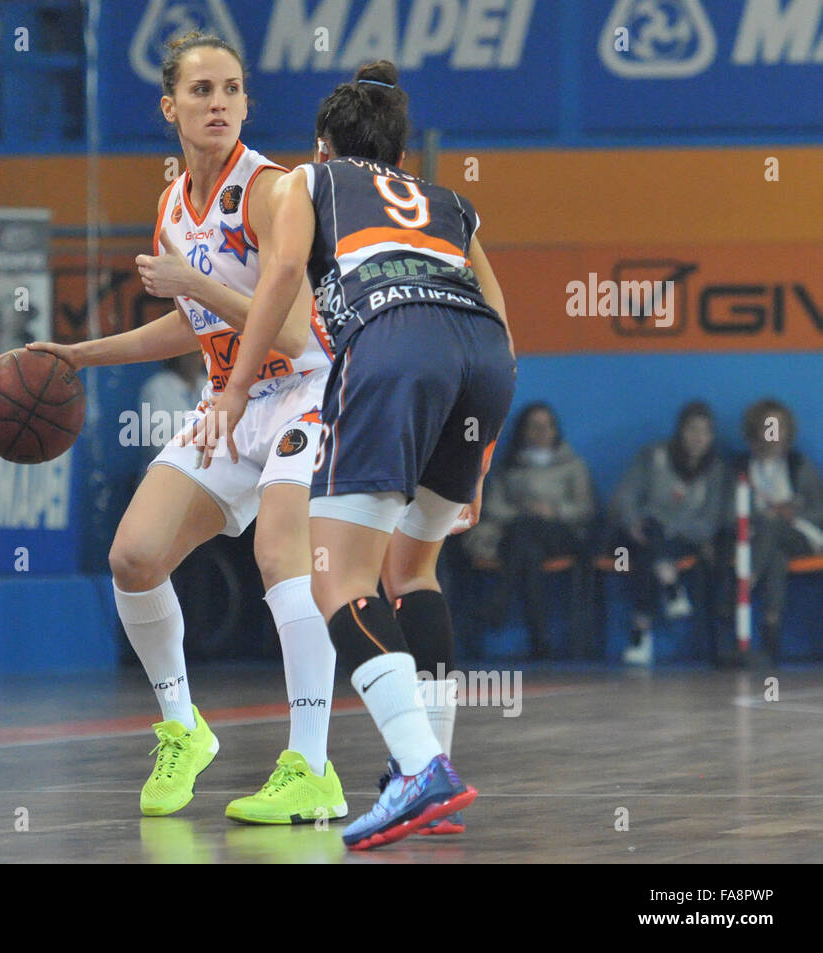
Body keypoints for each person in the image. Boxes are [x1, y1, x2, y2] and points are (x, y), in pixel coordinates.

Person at [192, 60, 517, 849]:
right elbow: (502, 319)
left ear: (324, 145)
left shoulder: (313, 183)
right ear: (401, 156)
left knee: (336, 573)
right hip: (483, 361)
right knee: (415, 568)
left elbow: (278, 280)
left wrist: (234, 387)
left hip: (394, 346)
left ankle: (417, 771)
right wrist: (478, 451)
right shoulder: (452, 204)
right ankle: (433, 764)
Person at [29, 33, 344, 824]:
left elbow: (299, 330)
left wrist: (194, 281)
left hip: (303, 396)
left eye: (232, 89)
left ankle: (312, 764)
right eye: (201, 91)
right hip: (228, 398)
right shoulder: (175, 202)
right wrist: (78, 353)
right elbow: (192, 320)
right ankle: (182, 725)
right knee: (133, 556)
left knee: (281, 559)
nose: (219, 104)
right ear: (170, 107)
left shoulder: (273, 190)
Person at [469, 402, 595, 656]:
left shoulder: (572, 465)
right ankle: (540, 641)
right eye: (534, 427)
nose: (541, 432)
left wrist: (553, 511)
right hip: (519, 534)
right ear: (523, 431)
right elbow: (492, 506)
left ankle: (500, 602)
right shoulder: (509, 467)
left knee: (525, 535)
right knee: (528, 551)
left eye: (546, 426)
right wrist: (523, 511)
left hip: (561, 533)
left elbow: (585, 507)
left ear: (555, 429)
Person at [610, 402, 726, 666]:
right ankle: (671, 586)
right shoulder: (654, 456)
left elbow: (710, 521)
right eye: (692, 429)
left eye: (705, 432)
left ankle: (640, 635)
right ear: (680, 431)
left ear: (712, 437)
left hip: (687, 538)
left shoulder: (717, 470)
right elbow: (626, 495)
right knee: (647, 545)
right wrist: (632, 523)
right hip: (644, 533)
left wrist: (671, 528)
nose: (698, 437)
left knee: (650, 550)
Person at [732, 399, 823, 659]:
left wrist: (792, 511)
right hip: (759, 539)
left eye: (779, 427)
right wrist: (761, 517)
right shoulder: (742, 466)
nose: (773, 434)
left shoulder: (798, 465)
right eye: (767, 426)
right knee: (776, 557)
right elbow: (732, 513)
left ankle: (745, 583)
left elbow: (820, 510)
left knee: (773, 528)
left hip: (801, 534)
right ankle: (771, 633)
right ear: (755, 431)